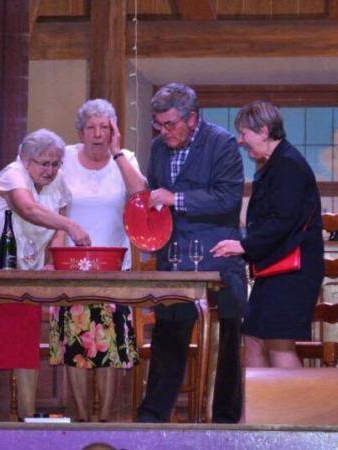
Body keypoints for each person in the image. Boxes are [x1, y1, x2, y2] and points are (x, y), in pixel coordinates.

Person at [0, 129, 91, 421]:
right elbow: (28, 209)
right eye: (43, 163)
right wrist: (71, 225)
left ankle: (27, 415)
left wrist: (55, 256)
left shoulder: (57, 180)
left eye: (55, 163)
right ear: (25, 160)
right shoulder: (13, 174)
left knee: (24, 342)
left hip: (26, 273)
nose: (50, 170)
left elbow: (59, 215)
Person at [136, 82, 247, 424]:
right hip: (174, 263)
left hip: (218, 262)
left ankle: (225, 423)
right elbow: (155, 197)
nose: (164, 131)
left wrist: (176, 199)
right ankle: (151, 420)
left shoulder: (223, 145)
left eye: (170, 124)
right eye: (158, 124)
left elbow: (227, 200)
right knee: (168, 341)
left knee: (228, 345)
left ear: (193, 119)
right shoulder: (157, 148)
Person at [47, 99, 146, 422]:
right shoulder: (65, 161)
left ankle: (106, 422)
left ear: (114, 131)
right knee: (75, 347)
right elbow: (57, 212)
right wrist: (53, 258)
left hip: (115, 270)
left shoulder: (125, 159)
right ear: (80, 131)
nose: (98, 134)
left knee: (111, 349)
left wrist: (118, 153)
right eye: (91, 127)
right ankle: (80, 421)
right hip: (72, 270)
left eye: (105, 127)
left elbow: (140, 195)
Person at [211, 100, 324, 368]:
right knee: (252, 337)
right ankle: (259, 409)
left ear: (263, 131)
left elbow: (283, 220)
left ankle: (289, 410)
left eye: (244, 133)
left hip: (292, 271)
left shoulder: (289, 165)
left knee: (278, 341)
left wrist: (243, 246)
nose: (240, 140)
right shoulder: (275, 163)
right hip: (275, 268)